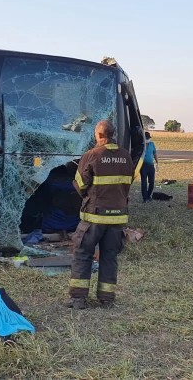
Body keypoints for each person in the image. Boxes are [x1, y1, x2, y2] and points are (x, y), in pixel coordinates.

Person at [68, 120, 134, 309]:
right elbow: (127, 185)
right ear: (113, 134)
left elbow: (80, 185)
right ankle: (106, 299)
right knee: (109, 256)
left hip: (94, 217)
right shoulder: (126, 157)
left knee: (82, 253)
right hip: (117, 218)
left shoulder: (92, 155)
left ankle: (79, 299)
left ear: (98, 135)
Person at [140, 131, 158, 203]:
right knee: (144, 182)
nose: (148, 139)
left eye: (148, 138)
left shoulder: (152, 144)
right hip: (143, 166)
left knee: (152, 182)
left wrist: (157, 162)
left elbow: (155, 153)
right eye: (146, 138)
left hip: (151, 165)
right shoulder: (141, 145)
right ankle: (144, 198)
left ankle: (148, 195)